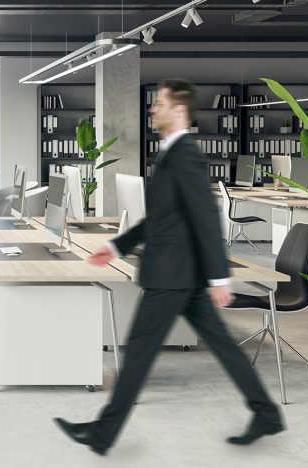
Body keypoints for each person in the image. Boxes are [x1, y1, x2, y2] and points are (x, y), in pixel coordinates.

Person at [54, 79, 284, 456]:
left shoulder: (186, 156)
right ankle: (266, 413)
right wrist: (116, 246)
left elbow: (206, 217)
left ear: (179, 110)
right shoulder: (170, 154)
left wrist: (219, 277)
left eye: (159, 103)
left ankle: (103, 433)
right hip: (182, 273)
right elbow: (161, 220)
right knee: (222, 345)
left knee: (140, 351)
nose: (152, 108)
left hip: (174, 274)